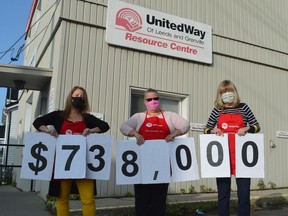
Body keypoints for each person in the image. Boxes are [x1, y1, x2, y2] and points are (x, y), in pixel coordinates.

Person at [33, 86, 110, 216]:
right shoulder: (58, 115)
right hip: (63, 165)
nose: (79, 98)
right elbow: (37, 122)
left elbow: (105, 126)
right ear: (70, 97)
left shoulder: (87, 118)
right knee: (62, 200)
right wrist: (48, 130)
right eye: (76, 95)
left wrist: (90, 130)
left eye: (82, 96)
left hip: (83, 164)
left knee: (88, 200)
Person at [120, 88, 190, 216]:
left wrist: (174, 133)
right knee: (142, 201)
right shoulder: (139, 117)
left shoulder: (169, 116)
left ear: (159, 99)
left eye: (156, 98)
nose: (153, 101)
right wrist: (135, 133)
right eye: (149, 99)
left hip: (162, 165)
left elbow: (185, 125)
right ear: (145, 101)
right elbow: (123, 127)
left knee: (159, 202)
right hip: (143, 166)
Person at [204, 80, 260, 216]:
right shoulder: (217, 110)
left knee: (244, 194)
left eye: (229, 91)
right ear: (220, 94)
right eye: (223, 92)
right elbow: (206, 129)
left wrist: (247, 128)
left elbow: (257, 126)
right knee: (223, 195)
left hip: (242, 158)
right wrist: (213, 131)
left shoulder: (243, 107)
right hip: (222, 158)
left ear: (234, 92)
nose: (226, 94)